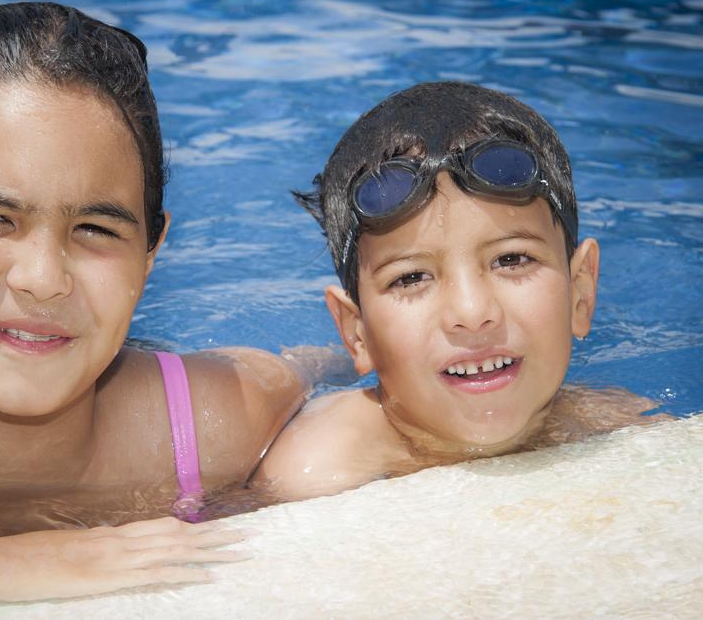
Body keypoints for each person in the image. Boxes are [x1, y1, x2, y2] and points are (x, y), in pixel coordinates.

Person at [0, 2, 336, 617]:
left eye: (95, 229)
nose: (44, 280)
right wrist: (8, 561)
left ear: (150, 253)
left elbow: (337, 379)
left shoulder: (219, 421)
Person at [253, 81, 667, 501]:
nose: (472, 311)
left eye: (511, 259)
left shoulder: (613, 419)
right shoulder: (320, 469)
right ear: (357, 334)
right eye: (411, 277)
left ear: (580, 294)